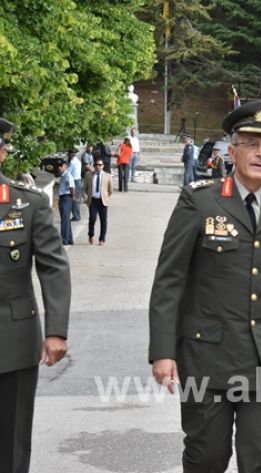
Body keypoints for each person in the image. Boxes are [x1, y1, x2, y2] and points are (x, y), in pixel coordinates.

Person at [149, 100, 261, 473]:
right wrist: (162, 351)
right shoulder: (200, 201)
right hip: (207, 356)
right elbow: (169, 280)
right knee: (207, 457)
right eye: (251, 143)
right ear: (232, 150)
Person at [0, 117, 71, 473]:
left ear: (2, 154)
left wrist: (56, 330)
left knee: (10, 445)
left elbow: (53, 266)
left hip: (11, 341)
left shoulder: (26, 205)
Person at [82, 160, 113, 245]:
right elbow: (85, 188)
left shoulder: (108, 176)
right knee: (92, 218)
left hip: (103, 201)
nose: (98, 166)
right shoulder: (89, 175)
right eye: (96, 165)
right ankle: (90, 234)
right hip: (93, 200)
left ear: (103, 166)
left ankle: (102, 239)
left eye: (100, 165)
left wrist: (105, 196)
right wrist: (85, 196)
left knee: (103, 221)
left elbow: (110, 190)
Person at [57, 160, 75, 245]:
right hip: (62, 197)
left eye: (61, 165)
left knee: (64, 219)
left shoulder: (68, 176)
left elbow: (72, 187)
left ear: (65, 166)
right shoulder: (62, 176)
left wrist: (72, 197)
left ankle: (64, 240)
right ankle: (69, 239)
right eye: (58, 166)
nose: (59, 167)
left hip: (66, 197)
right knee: (66, 219)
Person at [67, 150, 82, 220]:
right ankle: (77, 215)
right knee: (77, 198)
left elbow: (68, 172)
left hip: (74, 181)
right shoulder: (78, 162)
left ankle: (76, 216)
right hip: (79, 180)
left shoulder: (72, 162)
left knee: (74, 198)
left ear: (70, 155)